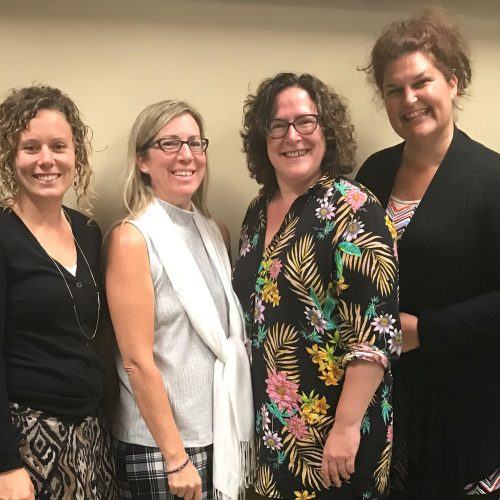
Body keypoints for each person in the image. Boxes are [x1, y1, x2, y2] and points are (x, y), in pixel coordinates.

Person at [232, 72, 400, 500]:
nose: (293, 136)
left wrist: (345, 427)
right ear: (263, 139)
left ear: (327, 131)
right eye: (278, 125)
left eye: (306, 121)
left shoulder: (354, 208)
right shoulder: (256, 212)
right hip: (273, 434)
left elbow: (374, 335)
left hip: (338, 438)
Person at [356, 8, 500, 499]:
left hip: (463, 405)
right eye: (394, 90)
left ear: (453, 82)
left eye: (422, 82)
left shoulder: (490, 179)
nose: (409, 99)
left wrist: (426, 330)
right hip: (384, 400)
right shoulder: (373, 173)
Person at [106, 99, 253, 500]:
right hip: (161, 447)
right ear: (143, 161)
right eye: (169, 143)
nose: (186, 155)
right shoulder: (132, 238)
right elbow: (137, 362)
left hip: (217, 432)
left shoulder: (215, 232)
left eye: (194, 143)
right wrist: (175, 457)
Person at [0, 85, 117, 499]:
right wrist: (6, 465)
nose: (46, 160)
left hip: (91, 437)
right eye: (30, 147)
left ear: (76, 155)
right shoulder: (3, 235)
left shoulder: (88, 232)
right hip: (27, 440)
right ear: (10, 157)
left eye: (58, 146)